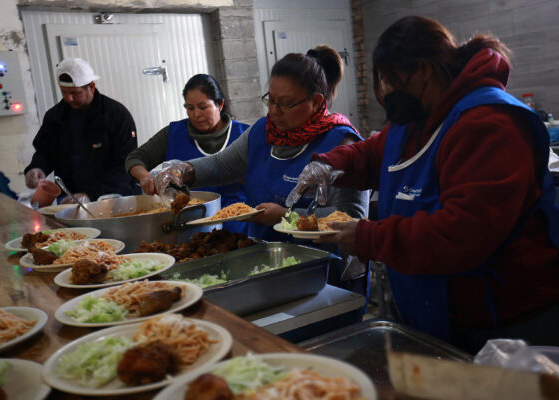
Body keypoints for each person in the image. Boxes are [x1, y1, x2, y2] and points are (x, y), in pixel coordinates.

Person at [287, 16, 559, 353]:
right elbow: (373, 154)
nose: (385, 92)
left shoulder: (490, 123)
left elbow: (462, 234)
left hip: (504, 320)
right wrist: (329, 164)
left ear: (424, 71)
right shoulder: (422, 117)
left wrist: (369, 237)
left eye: (390, 80)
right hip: (440, 311)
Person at [153, 45, 370, 243]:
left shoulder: (341, 143)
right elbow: (223, 165)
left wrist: (289, 216)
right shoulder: (263, 131)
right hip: (272, 255)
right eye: (271, 100)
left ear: (316, 102)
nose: (274, 110)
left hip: (329, 267)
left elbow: (351, 217)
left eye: (286, 103)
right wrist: (182, 171)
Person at [125, 74, 249, 233]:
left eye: (203, 107)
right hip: (185, 226)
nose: (196, 114)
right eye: (190, 108)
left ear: (220, 104)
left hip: (237, 225)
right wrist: (144, 176)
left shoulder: (244, 134)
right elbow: (135, 158)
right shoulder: (174, 133)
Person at [24, 58, 140, 204]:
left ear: (91, 86)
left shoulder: (116, 115)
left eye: (75, 93)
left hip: (114, 197)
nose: (69, 98)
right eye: (64, 92)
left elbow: (126, 164)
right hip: (70, 197)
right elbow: (45, 152)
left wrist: (90, 195)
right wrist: (36, 168)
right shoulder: (55, 117)